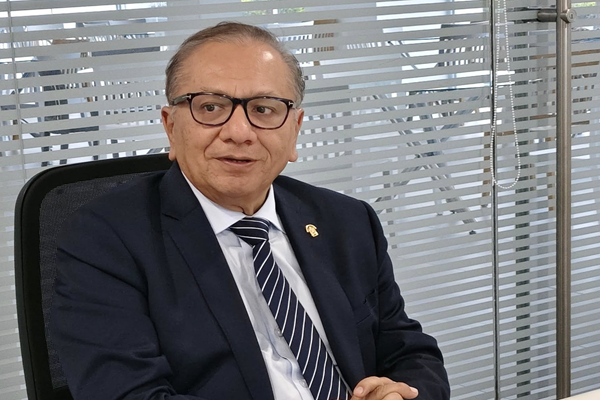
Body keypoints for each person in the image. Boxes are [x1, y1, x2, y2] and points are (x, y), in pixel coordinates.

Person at [51, 21, 450, 400]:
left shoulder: (347, 221)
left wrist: (400, 393)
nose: (239, 132)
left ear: (294, 129)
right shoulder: (104, 240)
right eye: (210, 107)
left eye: (263, 109)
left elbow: (408, 350)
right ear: (171, 127)